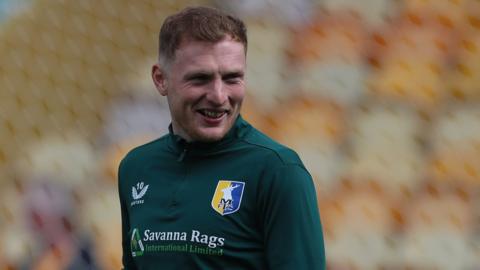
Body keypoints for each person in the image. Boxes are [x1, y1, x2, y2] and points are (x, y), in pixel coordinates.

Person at [118, 6, 326, 269]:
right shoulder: (136, 168)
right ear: (161, 80)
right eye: (200, 78)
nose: (218, 96)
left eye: (232, 78)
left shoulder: (278, 172)